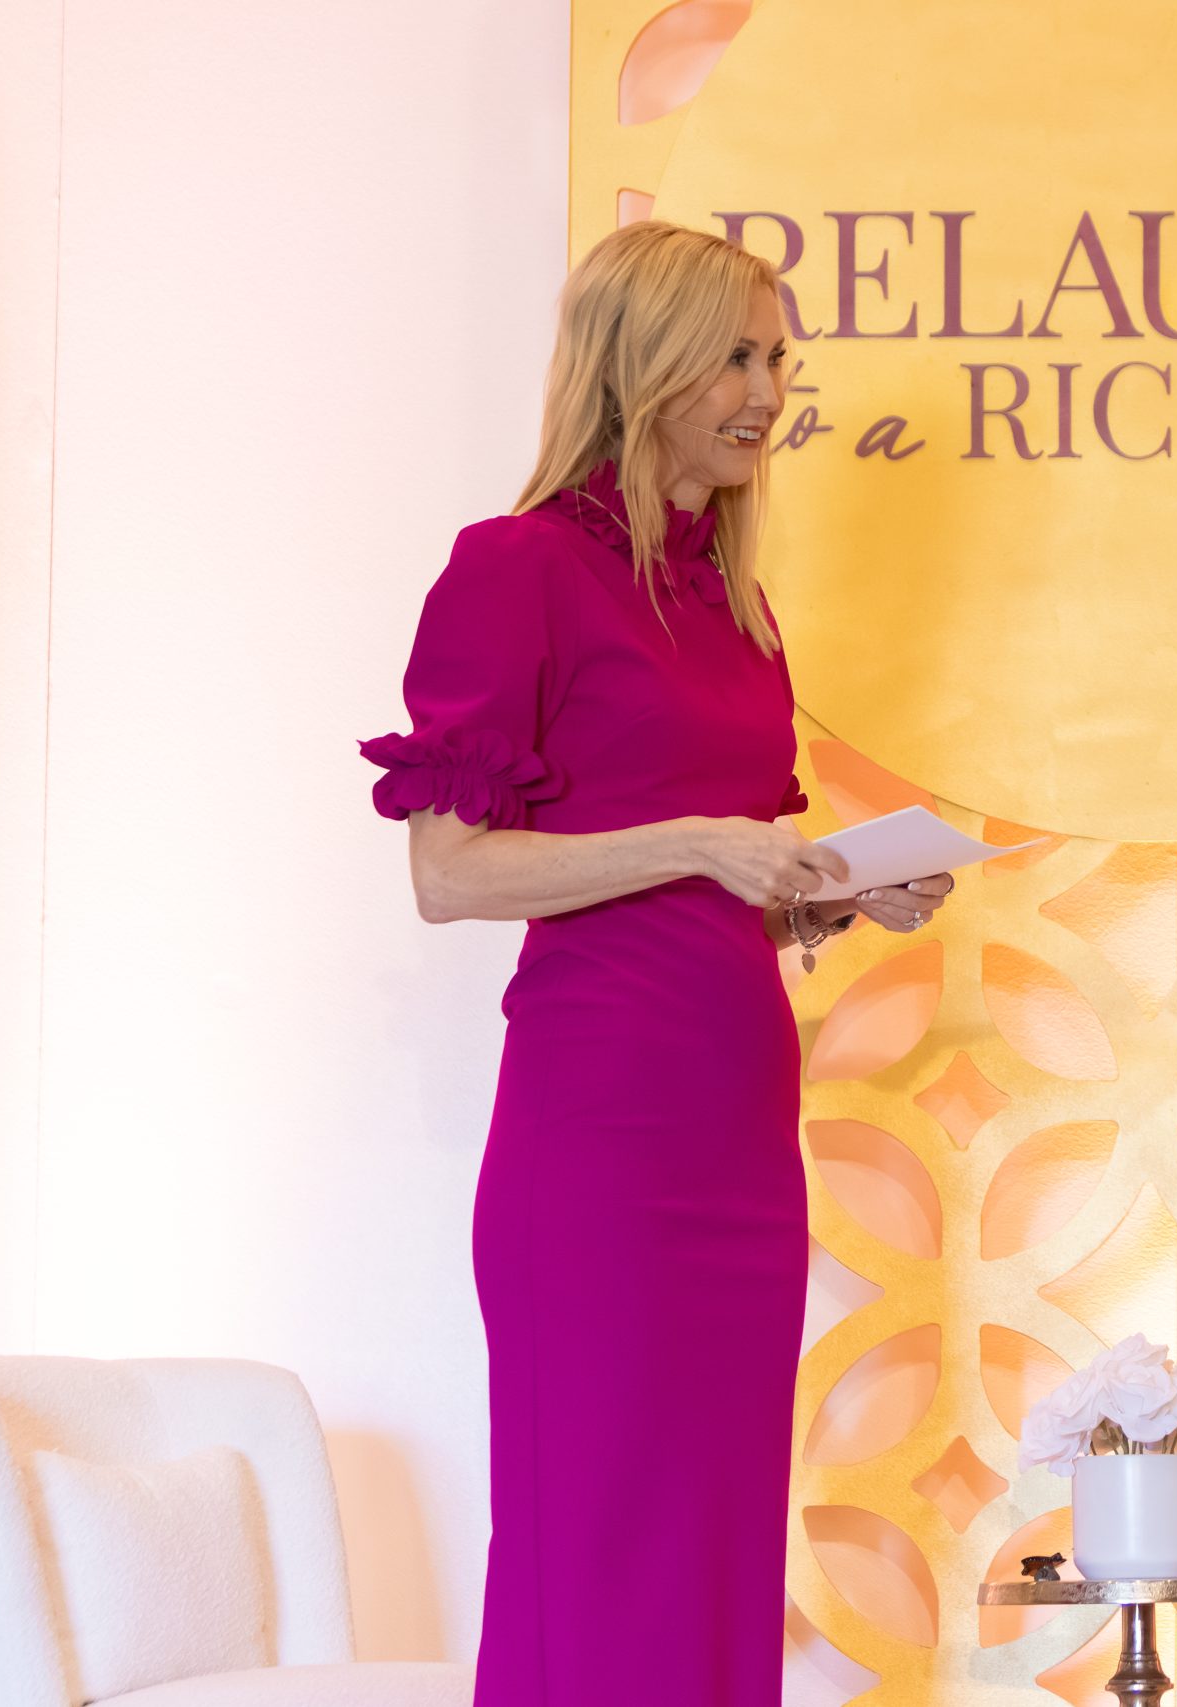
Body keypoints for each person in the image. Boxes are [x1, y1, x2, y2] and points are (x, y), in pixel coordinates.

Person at [360, 221, 953, 1706]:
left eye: (777, 360)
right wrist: (696, 840)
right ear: (641, 365)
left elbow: (707, 887)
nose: (769, 393)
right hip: (601, 1143)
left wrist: (823, 896)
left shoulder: (735, 609)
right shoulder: (516, 570)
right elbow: (448, 873)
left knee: (714, 1546)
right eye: (736, 357)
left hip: (738, 1137)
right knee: (599, 1543)